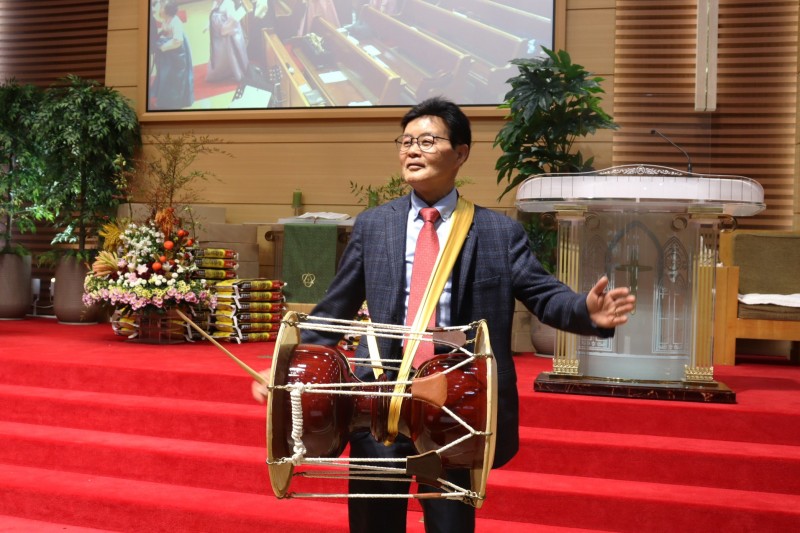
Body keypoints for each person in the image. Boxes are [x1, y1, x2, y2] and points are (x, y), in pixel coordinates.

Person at [255, 96, 636, 532]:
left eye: (427, 140)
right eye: (406, 141)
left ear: (460, 153)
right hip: (379, 397)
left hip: (455, 401)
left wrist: (585, 311)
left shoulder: (497, 232)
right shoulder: (374, 225)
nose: (412, 150)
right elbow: (333, 309)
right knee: (374, 521)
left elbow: (544, 295)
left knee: (450, 524)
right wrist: (285, 369)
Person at [151, 0, 194, 110]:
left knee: (174, 78)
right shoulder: (166, 19)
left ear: (167, 11)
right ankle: (165, 99)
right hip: (169, 52)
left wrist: (163, 46)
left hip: (176, 54)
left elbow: (177, 41)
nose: (159, 10)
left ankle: (174, 102)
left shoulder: (176, 22)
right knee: (165, 77)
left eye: (162, 8)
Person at [206, 0, 249, 83]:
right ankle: (221, 72)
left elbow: (232, 20)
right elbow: (211, 14)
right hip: (217, 36)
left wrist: (224, 29)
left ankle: (235, 71)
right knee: (219, 54)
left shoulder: (228, 3)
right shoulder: (216, 2)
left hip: (228, 35)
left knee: (231, 54)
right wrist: (209, 25)